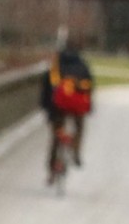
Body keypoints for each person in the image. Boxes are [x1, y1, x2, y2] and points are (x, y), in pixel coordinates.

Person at [41, 38, 95, 170]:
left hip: (58, 104)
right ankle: (76, 151)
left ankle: (52, 162)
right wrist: (89, 106)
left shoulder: (56, 65)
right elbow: (89, 86)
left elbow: (47, 88)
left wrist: (46, 107)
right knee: (79, 127)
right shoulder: (82, 65)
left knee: (57, 131)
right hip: (77, 105)